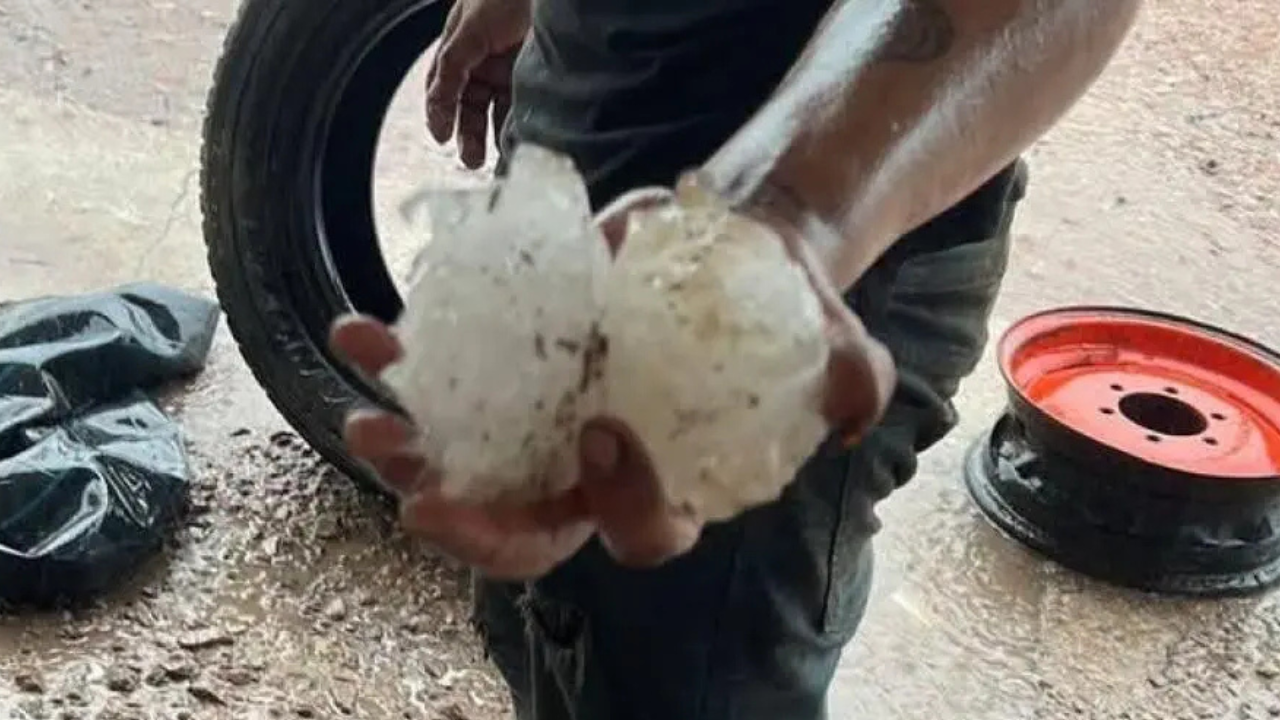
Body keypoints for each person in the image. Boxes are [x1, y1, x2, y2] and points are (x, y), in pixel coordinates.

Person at [330, 0, 1142, 717]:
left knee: (683, 677)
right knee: (548, 631)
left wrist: (769, 227)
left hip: (782, 277)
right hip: (586, 164)